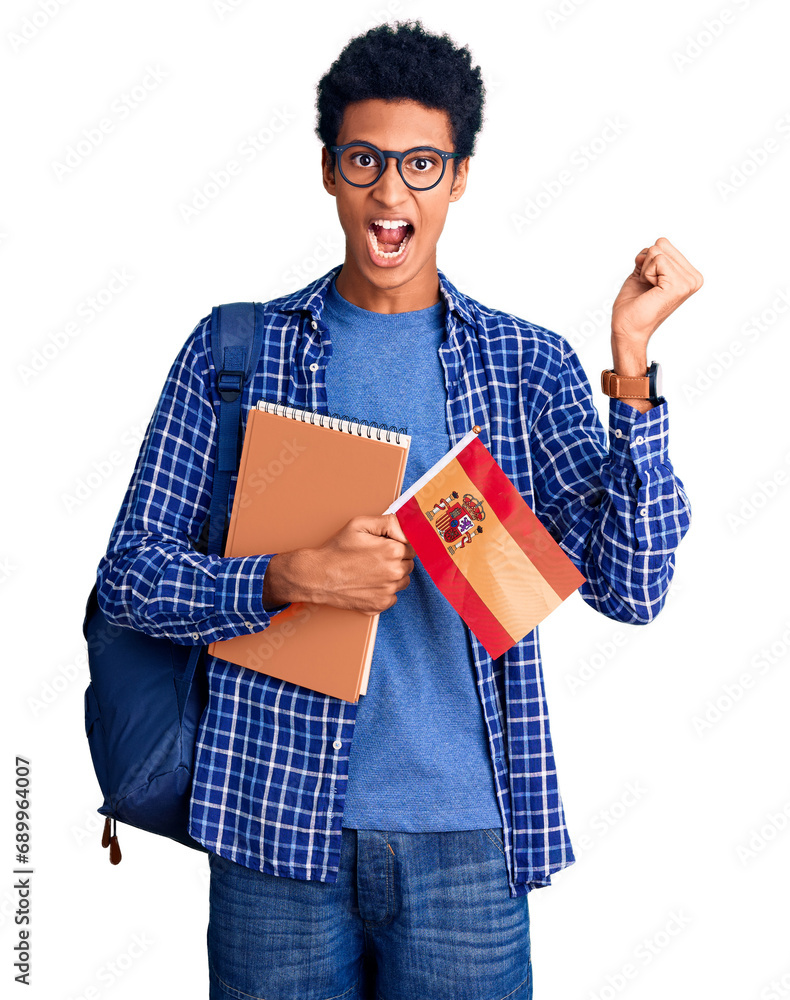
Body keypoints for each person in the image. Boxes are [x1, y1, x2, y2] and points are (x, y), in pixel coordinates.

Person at [95, 19, 700, 1000]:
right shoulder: (236, 353)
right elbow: (130, 577)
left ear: (458, 178)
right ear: (328, 170)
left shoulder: (525, 365)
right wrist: (283, 577)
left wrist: (629, 368)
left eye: (421, 164)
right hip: (271, 826)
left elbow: (634, 588)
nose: (390, 193)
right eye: (365, 160)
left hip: (468, 836)